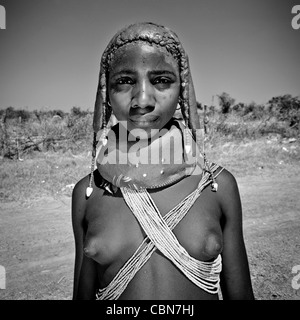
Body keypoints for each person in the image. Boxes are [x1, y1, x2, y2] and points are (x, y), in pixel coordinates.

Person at [71, 22, 254, 300]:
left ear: (182, 90)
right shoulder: (88, 193)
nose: (142, 100)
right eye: (124, 81)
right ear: (106, 93)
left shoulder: (216, 185)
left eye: (161, 80)